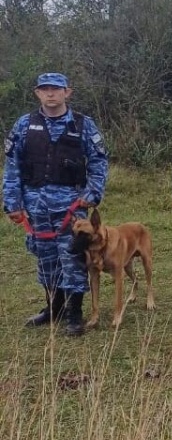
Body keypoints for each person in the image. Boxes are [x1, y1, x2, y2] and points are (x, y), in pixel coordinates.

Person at [3, 72, 109, 336]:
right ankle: (54, 307)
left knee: (72, 256)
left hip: (71, 207)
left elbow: (98, 162)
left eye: (56, 89)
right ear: (37, 93)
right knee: (45, 258)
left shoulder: (83, 125)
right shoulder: (24, 125)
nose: (50, 93)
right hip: (35, 204)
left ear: (67, 92)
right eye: (45, 89)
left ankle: (75, 313)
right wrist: (12, 203)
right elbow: (12, 166)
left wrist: (92, 193)